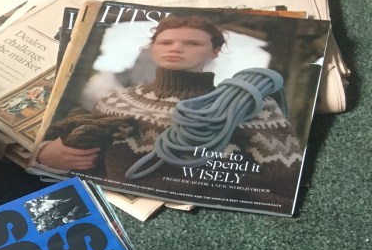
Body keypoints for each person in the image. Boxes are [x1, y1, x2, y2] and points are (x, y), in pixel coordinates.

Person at [36, 15, 303, 201]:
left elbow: (284, 185)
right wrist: (47, 156)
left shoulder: (253, 107)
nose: (176, 48)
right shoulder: (115, 101)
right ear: (152, 48)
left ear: (214, 51)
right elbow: (84, 165)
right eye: (165, 42)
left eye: (193, 43)